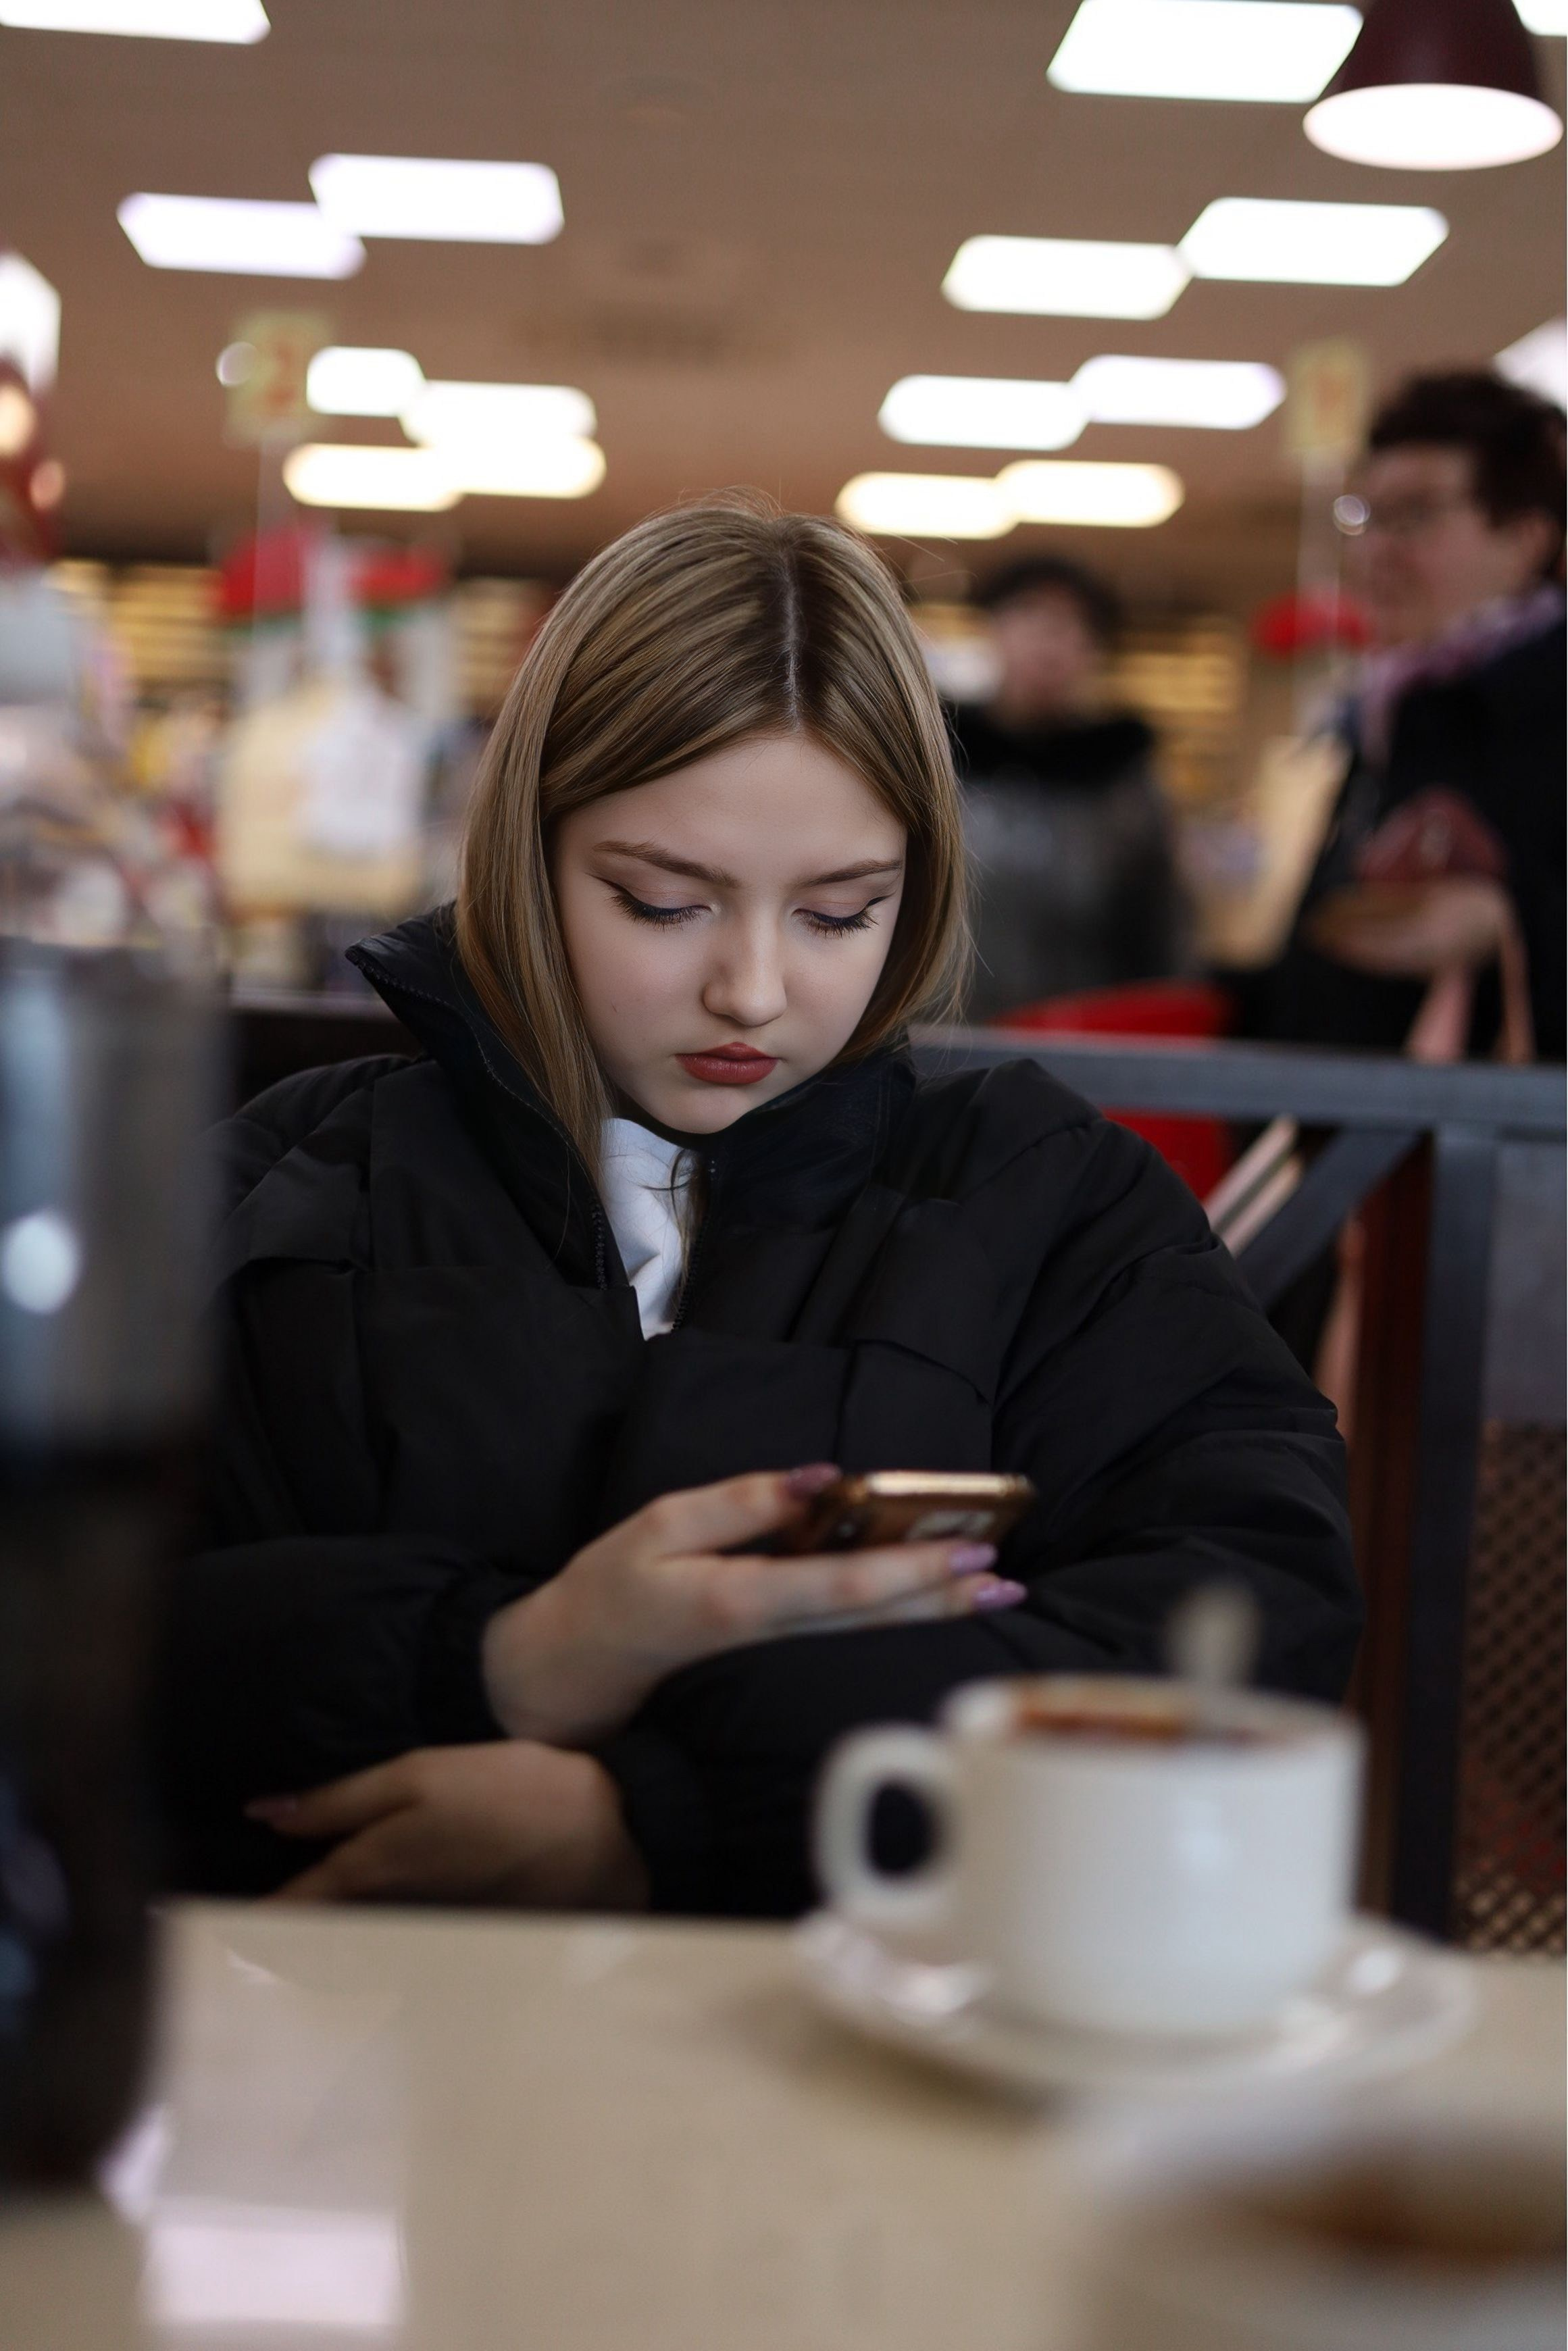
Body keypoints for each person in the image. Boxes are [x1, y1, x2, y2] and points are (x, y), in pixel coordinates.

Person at [159, 498, 1357, 1919]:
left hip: (860, 2032)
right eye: (662, 903)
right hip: (327, 2024)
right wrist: (503, 1656)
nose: (754, 990)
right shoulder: (299, 1184)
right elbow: (71, 1607)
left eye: (840, 912)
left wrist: (659, 1814)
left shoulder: (1047, 1195)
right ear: (528, 856)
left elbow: (1249, 1607)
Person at [1271, 371, 1565, 1063]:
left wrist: (1511, 925)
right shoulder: (1389, 712)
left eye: (1414, 516)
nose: (1374, 552)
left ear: (1524, 537)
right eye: (1364, 518)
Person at [948, 555, 1188, 1017]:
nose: (1049, 641)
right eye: (1029, 614)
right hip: (945, 1027)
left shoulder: (1119, 774)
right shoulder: (940, 755)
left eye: (1071, 624)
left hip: (1082, 1029)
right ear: (992, 628)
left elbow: (1161, 918)